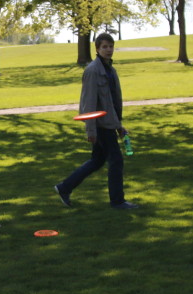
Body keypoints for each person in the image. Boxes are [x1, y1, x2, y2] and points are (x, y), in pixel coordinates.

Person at [54, 32, 138, 210]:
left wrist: (118, 125)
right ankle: (117, 201)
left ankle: (64, 187)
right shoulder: (93, 70)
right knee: (116, 160)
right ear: (97, 49)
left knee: (98, 160)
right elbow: (88, 101)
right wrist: (90, 130)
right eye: (104, 47)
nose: (108, 50)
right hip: (100, 125)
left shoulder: (110, 69)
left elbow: (112, 102)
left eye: (111, 46)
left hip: (109, 123)